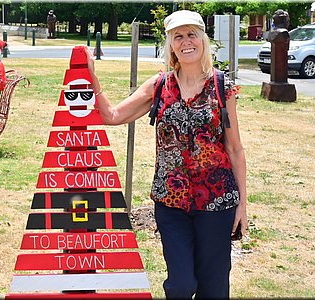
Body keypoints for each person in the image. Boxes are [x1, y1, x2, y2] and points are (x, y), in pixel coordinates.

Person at [85, 10, 247, 298]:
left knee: (213, 288)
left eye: (192, 34)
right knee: (181, 285)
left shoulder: (221, 87)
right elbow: (112, 116)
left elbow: (234, 148)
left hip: (217, 201)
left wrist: (242, 206)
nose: (186, 42)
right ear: (171, 44)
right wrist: (92, 77)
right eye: (178, 36)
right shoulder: (159, 85)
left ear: (203, 40)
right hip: (171, 202)